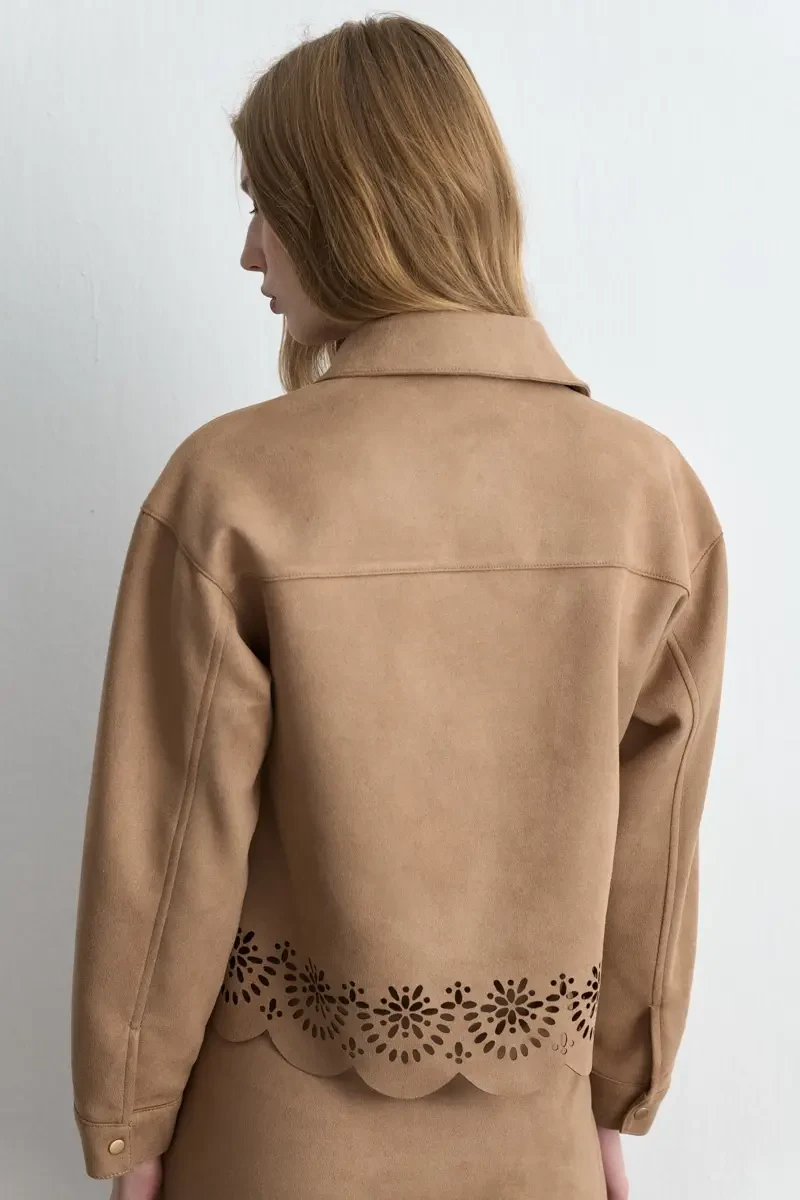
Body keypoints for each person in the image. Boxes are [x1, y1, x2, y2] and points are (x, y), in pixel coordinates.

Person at [70, 15, 728, 1200]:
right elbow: (656, 856)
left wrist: (131, 1126)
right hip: (533, 1143)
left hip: (269, 1145)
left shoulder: (230, 485)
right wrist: (612, 1103)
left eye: (265, 206)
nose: (249, 254)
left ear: (345, 210)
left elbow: (164, 858)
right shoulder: (649, 493)